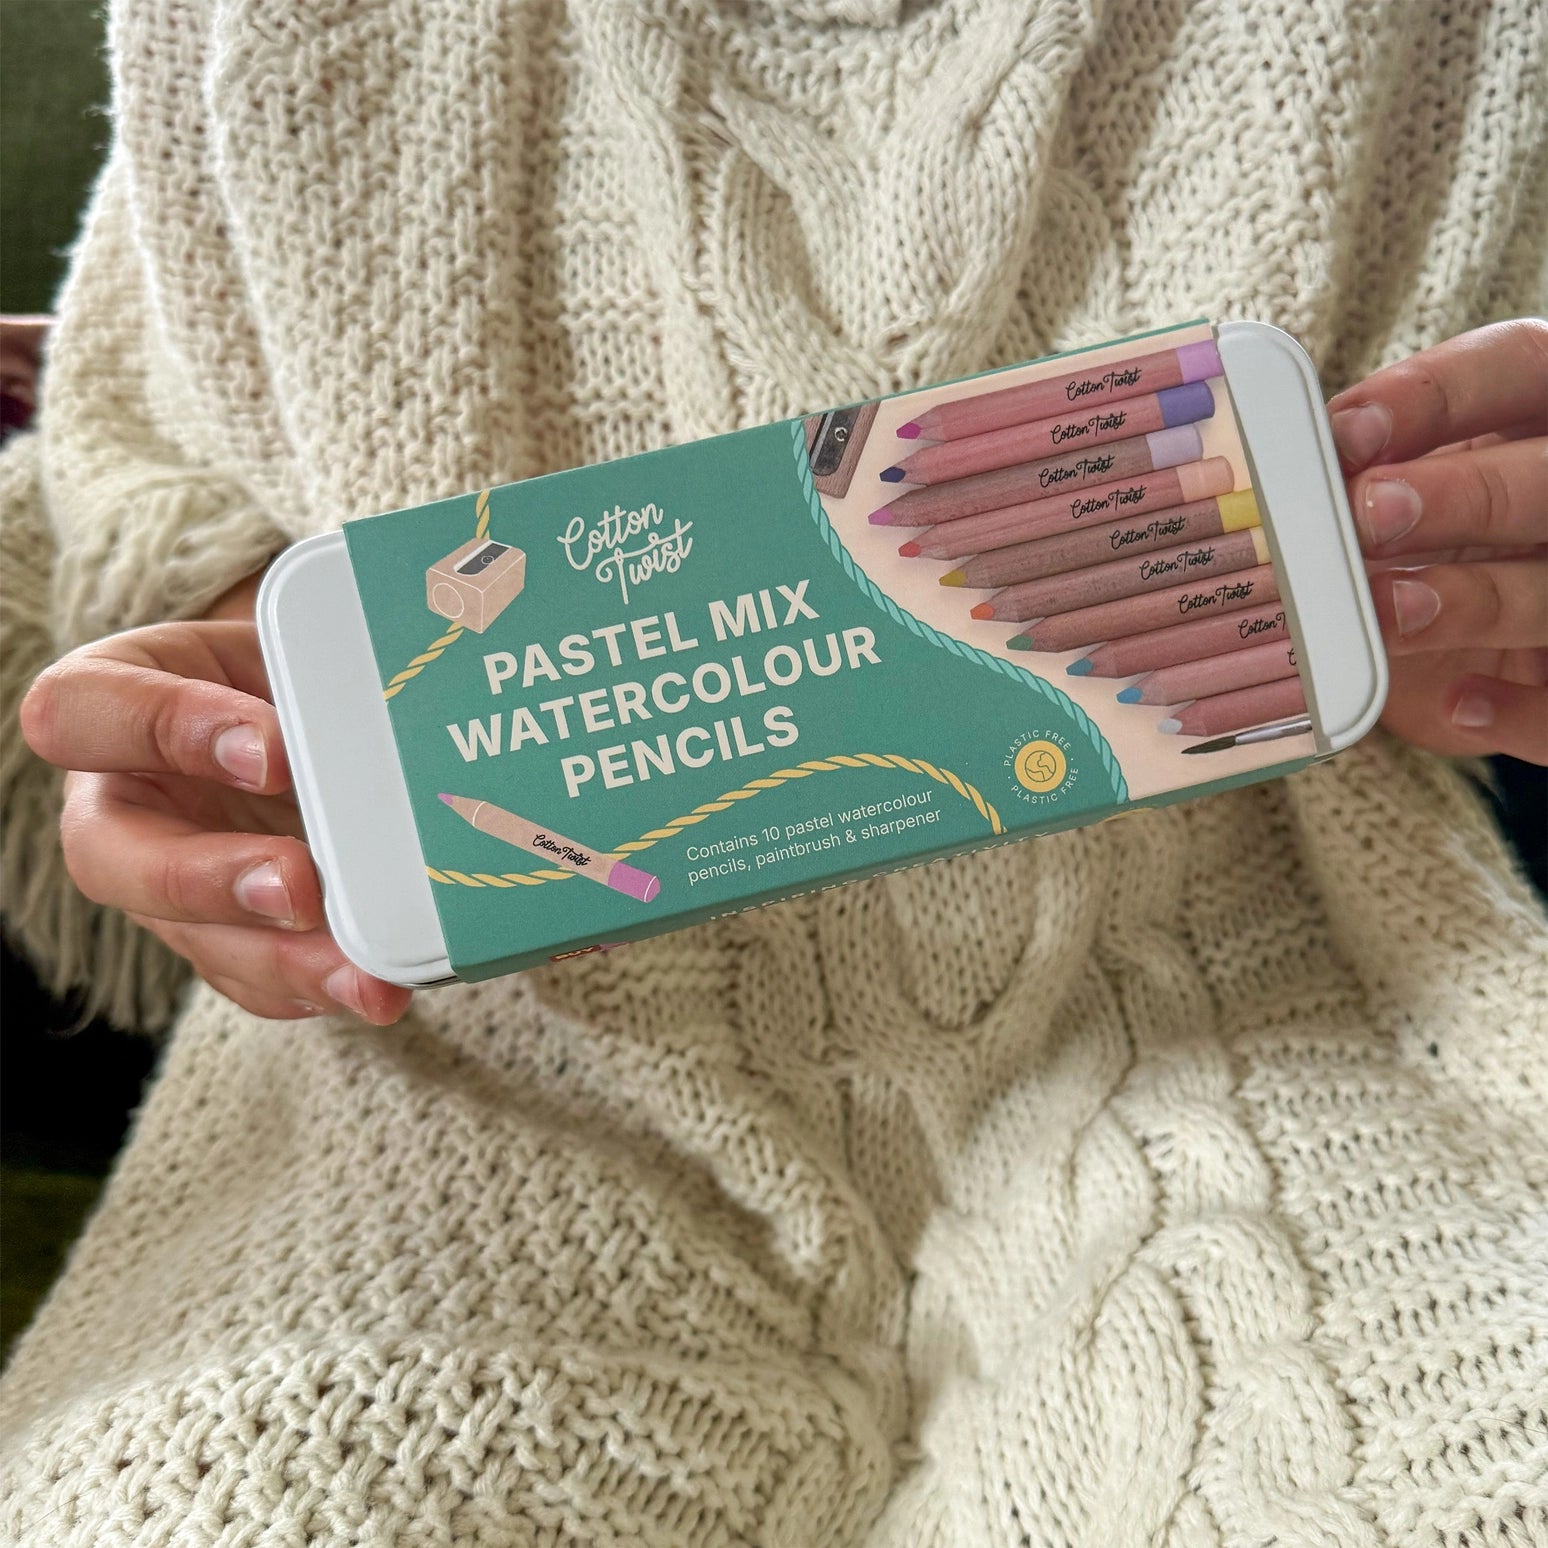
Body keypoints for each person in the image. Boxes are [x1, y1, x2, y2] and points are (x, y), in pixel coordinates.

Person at [1, 1, 1544, 1543]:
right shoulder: (251, 32)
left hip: (1288, 1015)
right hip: (483, 1072)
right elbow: (159, 481)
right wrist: (249, 730)